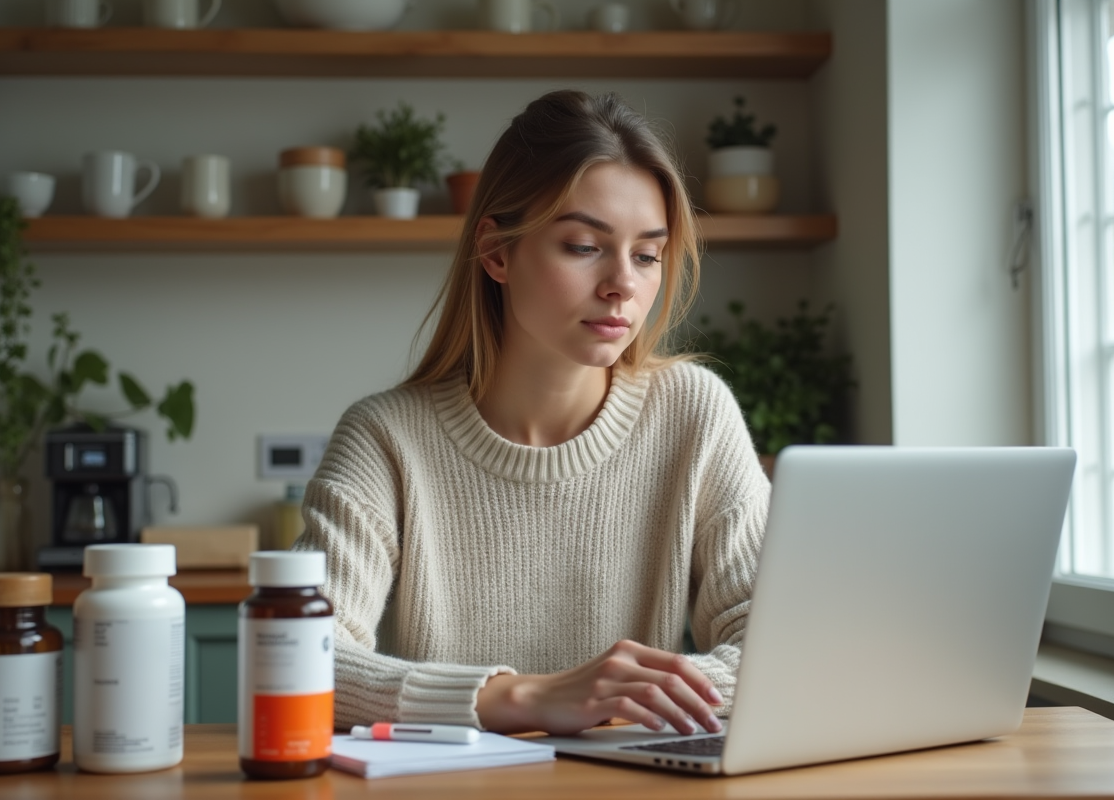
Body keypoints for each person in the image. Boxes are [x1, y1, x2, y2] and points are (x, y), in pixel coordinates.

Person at [295, 89, 770, 737]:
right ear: (496, 253)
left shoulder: (695, 414)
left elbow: (777, 642)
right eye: (584, 246)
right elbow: (302, 657)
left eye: (648, 255)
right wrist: (524, 698)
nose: (624, 286)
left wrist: (637, 697)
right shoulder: (385, 437)